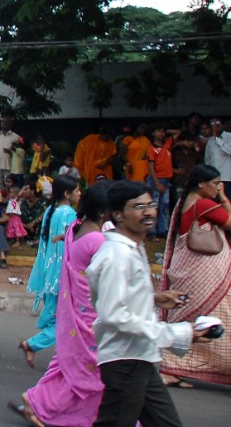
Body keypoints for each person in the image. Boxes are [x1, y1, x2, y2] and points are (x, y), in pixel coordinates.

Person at [87, 180, 215, 427]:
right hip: (125, 361)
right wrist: (178, 332)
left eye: (151, 204)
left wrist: (155, 298)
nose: (148, 212)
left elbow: (122, 297)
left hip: (141, 357)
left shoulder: (134, 248)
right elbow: (114, 314)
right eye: (137, 206)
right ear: (118, 215)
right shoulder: (116, 255)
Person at [14, 182, 111, 427]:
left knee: (66, 363)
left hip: (70, 302)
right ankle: (42, 403)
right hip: (87, 315)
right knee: (89, 371)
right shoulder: (97, 240)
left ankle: (37, 398)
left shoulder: (74, 227)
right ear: (103, 213)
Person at [158, 165, 231, 387]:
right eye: (215, 183)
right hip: (205, 273)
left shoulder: (184, 201)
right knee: (212, 317)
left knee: (189, 318)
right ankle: (172, 367)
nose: (218, 187)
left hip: (189, 269)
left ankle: (172, 367)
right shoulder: (205, 204)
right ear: (202, 184)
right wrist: (224, 198)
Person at [21, 175, 80, 365]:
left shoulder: (50, 211)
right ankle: (33, 345)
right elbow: (67, 247)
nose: (80, 193)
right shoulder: (69, 213)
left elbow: (45, 245)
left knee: (61, 319)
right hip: (60, 274)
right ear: (67, 193)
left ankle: (62, 358)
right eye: (77, 190)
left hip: (50, 271)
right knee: (65, 321)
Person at [147, 124, 175, 237]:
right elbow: (150, 167)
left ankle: (163, 230)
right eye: (158, 131)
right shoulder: (151, 148)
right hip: (156, 179)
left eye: (163, 131)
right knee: (154, 205)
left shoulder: (167, 144)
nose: (161, 133)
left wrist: (166, 130)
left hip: (166, 179)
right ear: (153, 133)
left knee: (164, 205)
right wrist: (157, 183)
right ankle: (152, 231)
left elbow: (177, 132)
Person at [0, 116, 21, 185]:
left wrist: (10, 151)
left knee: (9, 187)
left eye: (7, 122)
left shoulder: (16, 137)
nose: (4, 123)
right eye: (3, 121)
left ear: (11, 124)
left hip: (10, 168)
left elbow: (19, 153)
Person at [206, 116, 231, 182]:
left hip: (227, 177)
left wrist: (217, 138)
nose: (216, 126)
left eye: (218, 123)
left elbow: (229, 151)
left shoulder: (229, 137)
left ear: (223, 125)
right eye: (213, 124)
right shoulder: (210, 141)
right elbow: (207, 159)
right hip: (213, 178)